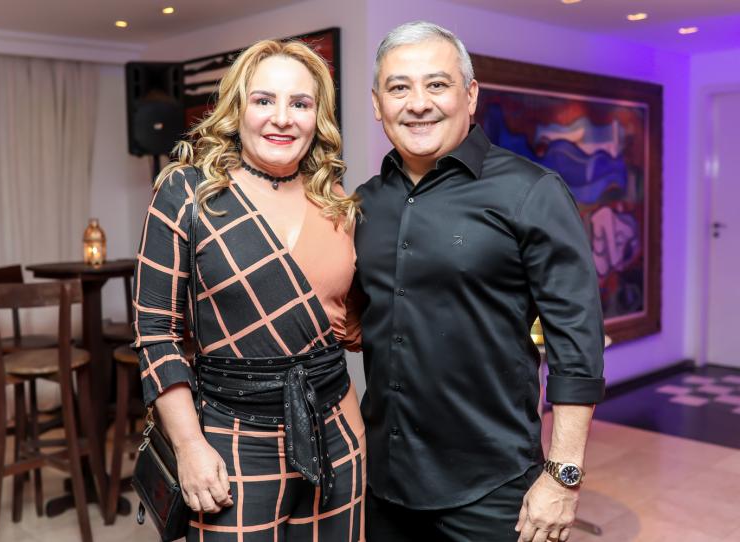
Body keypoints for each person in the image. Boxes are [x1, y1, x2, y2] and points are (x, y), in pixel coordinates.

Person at [353, 21, 605, 542]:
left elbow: (577, 345)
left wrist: (563, 476)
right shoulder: (364, 204)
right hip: (384, 483)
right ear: (377, 104)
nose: (418, 104)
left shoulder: (531, 192)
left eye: (437, 84)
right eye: (398, 88)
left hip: (492, 487)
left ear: (470, 96)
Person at [132, 39, 365, 541]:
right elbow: (155, 332)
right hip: (229, 438)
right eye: (264, 100)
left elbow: (350, 318)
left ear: (317, 117)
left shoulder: (336, 200)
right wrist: (188, 445)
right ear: (238, 108)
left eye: (299, 103)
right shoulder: (187, 192)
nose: (282, 118)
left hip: (337, 428)